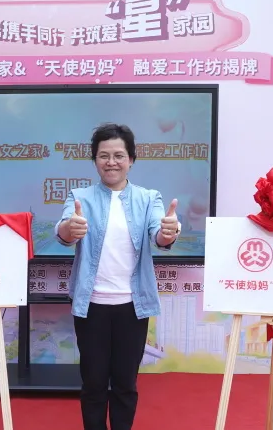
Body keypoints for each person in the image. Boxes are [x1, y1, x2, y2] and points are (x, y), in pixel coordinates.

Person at [55, 123, 180, 430]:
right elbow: (64, 231)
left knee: (125, 384)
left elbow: (159, 234)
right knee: (94, 384)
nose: (111, 162)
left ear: (131, 160)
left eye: (119, 155)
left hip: (132, 307)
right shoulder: (80, 196)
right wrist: (70, 229)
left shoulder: (149, 198)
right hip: (92, 306)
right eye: (104, 155)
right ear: (95, 160)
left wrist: (168, 233)